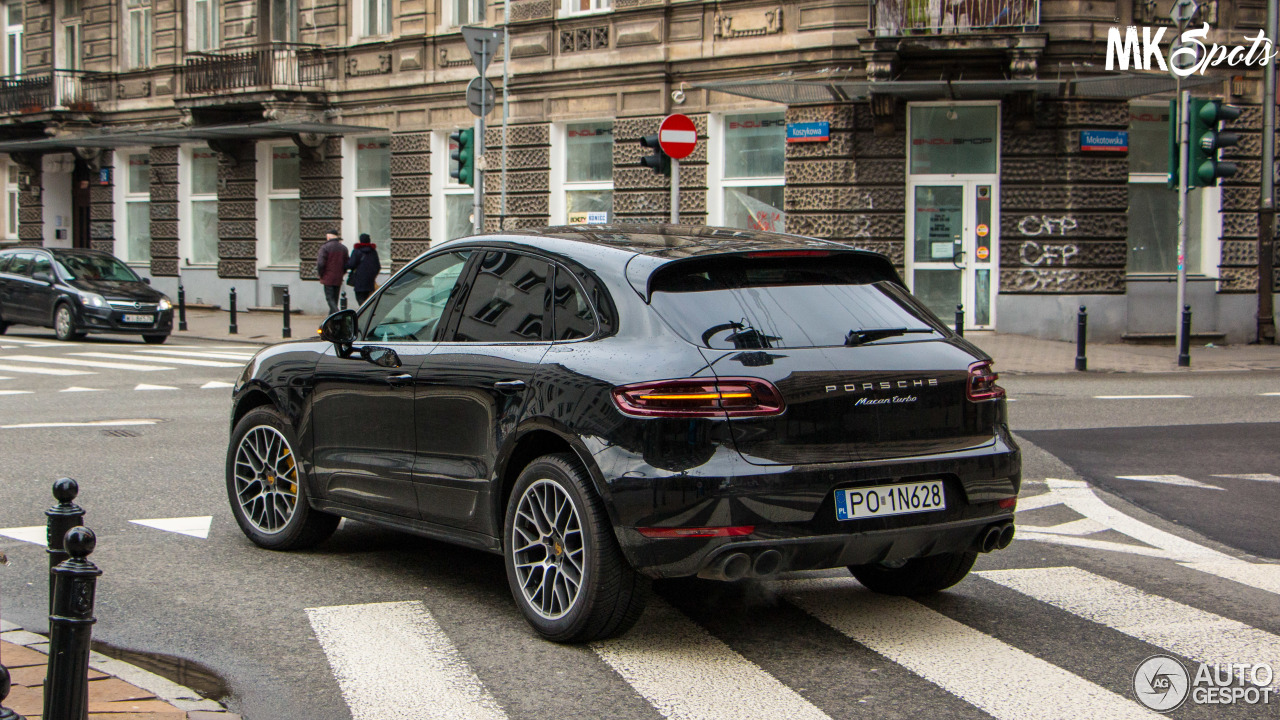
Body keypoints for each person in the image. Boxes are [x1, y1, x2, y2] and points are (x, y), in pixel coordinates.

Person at [315, 229, 349, 315]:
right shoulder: (343, 248)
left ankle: (337, 314)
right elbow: (347, 263)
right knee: (335, 299)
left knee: (330, 299)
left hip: (328, 277)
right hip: (338, 278)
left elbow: (320, 263)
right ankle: (332, 319)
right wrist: (342, 272)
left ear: (328, 236)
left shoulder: (325, 247)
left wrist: (321, 274)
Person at [346, 233, 382, 306]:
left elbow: (351, 264)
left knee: (360, 299)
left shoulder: (356, 251)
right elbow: (378, 266)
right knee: (368, 299)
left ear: (360, 241)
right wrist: (372, 276)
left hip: (359, 280)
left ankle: (363, 314)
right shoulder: (373, 252)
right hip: (370, 281)